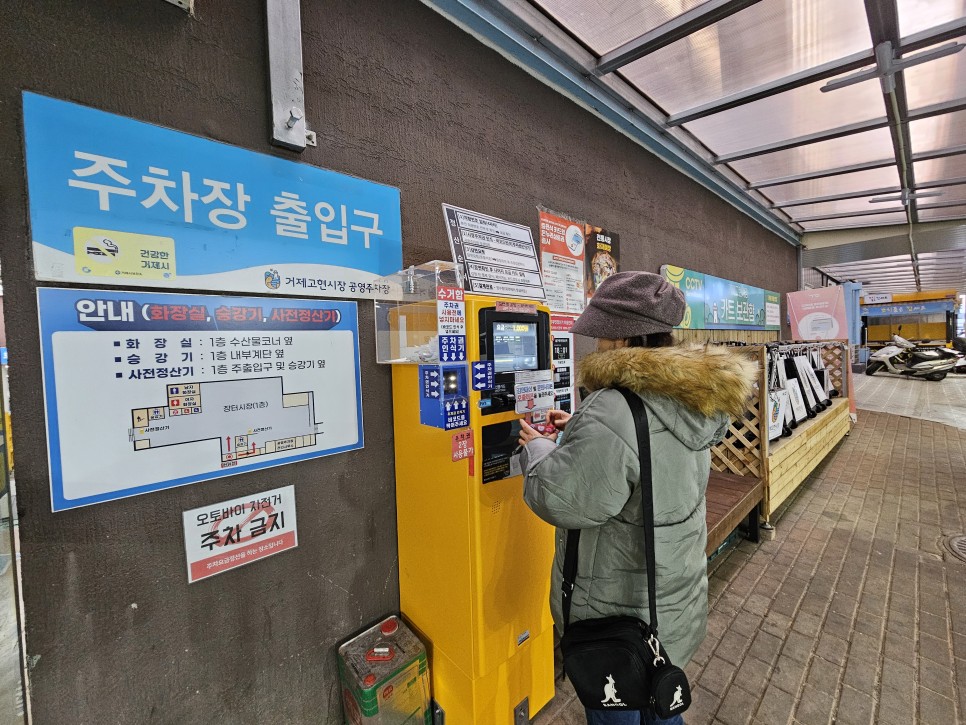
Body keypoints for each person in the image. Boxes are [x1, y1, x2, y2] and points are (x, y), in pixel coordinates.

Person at [517, 271, 756, 725]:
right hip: (671, 596)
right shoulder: (690, 392)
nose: (597, 344)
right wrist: (584, 431)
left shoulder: (615, 405)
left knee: (621, 707)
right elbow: (648, 447)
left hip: (618, 611)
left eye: (602, 333)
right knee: (659, 703)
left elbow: (564, 499)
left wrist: (538, 448)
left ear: (621, 337)